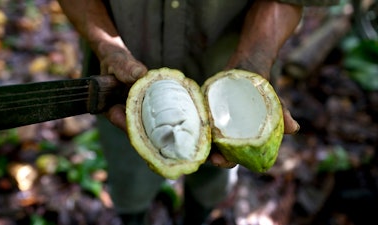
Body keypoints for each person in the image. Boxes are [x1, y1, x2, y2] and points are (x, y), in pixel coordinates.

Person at [57, 0, 338, 224]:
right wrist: (106, 45)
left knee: (212, 181)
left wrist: (257, 54)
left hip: (227, 60)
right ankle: (134, 216)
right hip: (121, 83)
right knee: (129, 180)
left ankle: (197, 216)